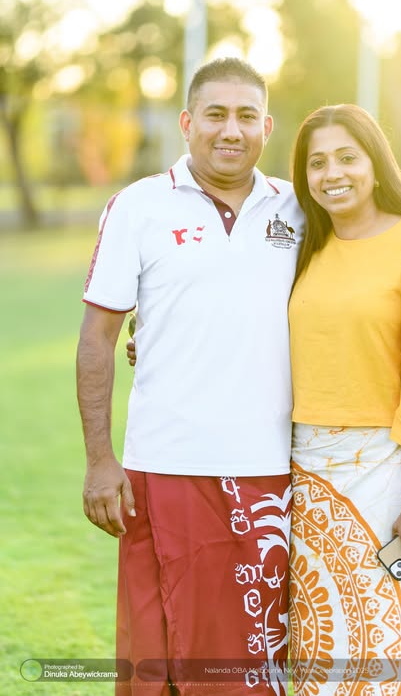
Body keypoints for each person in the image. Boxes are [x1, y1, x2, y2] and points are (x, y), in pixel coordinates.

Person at [76, 58, 304, 696]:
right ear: (186, 123)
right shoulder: (138, 207)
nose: (230, 130)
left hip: (271, 473)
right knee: (160, 667)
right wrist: (100, 459)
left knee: (253, 669)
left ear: (266, 125)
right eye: (215, 114)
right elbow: (98, 339)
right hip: (163, 470)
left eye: (245, 116)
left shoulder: (299, 207)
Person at [287, 104, 401, 695]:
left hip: (391, 472)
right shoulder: (304, 248)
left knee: (396, 641)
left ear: (375, 164)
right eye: (317, 163)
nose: (331, 173)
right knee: (325, 641)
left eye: (346, 157)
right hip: (308, 476)